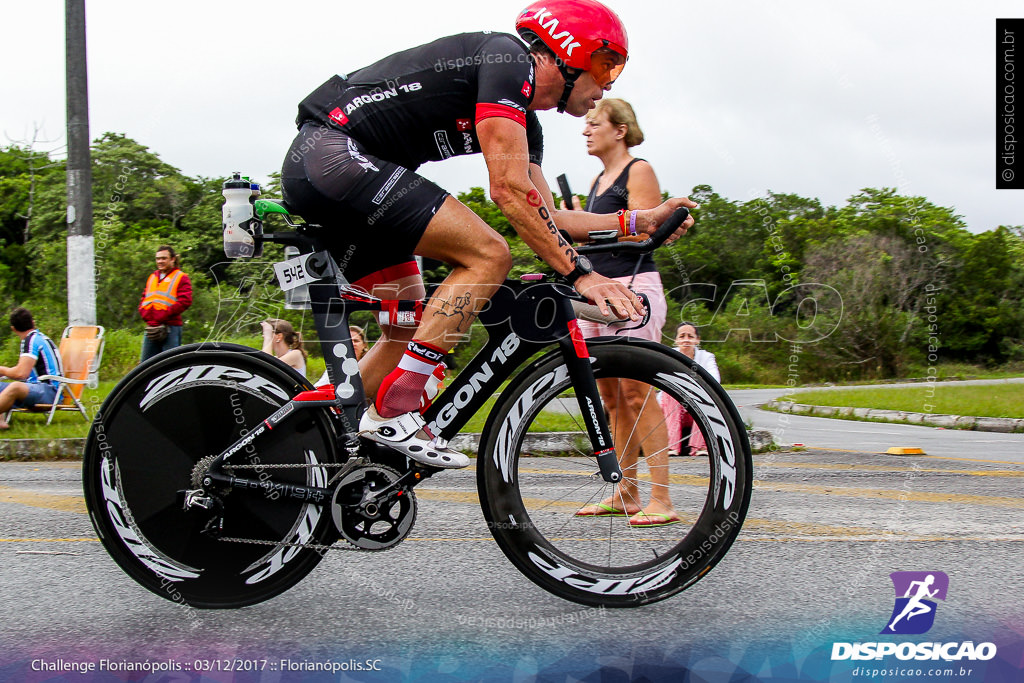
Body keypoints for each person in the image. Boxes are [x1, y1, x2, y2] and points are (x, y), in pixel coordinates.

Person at [280, 0, 696, 469]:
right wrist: (583, 274)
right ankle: (394, 412)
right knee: (489, 256)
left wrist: (635, 221)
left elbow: (548, 216)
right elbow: (510, 192)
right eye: (605, 65)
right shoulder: (508, 59)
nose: (607, 85)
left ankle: (314, 448)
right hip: (333, 155)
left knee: (409, 327)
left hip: (346, 178)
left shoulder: (525, 121)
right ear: (568, 51)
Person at [569, 98, 678, 526]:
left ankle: (663, 500)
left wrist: (593, 226)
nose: (586, 130)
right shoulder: (598, 179)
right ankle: (625, 494)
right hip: (601, 294)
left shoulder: (640, 170)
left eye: (595, 123)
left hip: (634, 288)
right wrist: (581, 221)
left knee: (638, 392)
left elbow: (644, 231)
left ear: (620, 129)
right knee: (612, 399)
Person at [661, 322, 721, 457]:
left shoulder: (706, 357)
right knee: (670, 393)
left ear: (697, 340)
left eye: (690, 336)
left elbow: (715, 380)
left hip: (697, 406)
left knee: (706, 395)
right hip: (673, 409)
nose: (686, 340)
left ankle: (699, 447)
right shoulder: (669, 356)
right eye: (682, 336)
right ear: (676, 340)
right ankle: (672, 447)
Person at [0, 308, 63, 430]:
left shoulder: (31, 340)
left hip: (50, 391)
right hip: (38, 387)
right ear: (33, 322)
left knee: (15, 387)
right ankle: (1, 422)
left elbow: (21, 374)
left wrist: (2, 370)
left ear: (13, 329)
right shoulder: (38, 338)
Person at [138, 245, 192, 362]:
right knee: (145, 365)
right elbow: (145, 297)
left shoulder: (181, 277)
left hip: (171, 326)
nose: (160, 261)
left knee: (171, 364)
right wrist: (144, 313)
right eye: (158, 259)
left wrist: (165, 314)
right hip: (152, 326)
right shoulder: (153, 276)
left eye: (163, 258)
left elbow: (185, 301)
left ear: (172, 259)